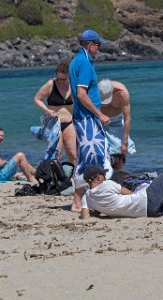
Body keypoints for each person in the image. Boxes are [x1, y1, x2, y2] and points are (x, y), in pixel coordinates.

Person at [68, 29, 110, 212]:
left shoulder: (76, 61)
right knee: (93, 158)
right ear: (90, 44)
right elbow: (81, 93)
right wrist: (99, 114)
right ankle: (80, 202)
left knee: (85, 159)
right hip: (87, 119)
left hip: (82, 117)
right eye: (98, 45)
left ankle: (82, 201)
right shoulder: (84, 63)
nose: (99, 49)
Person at [33, 62, 77, 164]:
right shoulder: (51, 84)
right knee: (57, 154)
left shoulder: (73, 85)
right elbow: (37, 99)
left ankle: (73, 176)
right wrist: (47, 110)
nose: (61, 81)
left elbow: (81, 100)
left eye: (64, 79)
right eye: (59, 78)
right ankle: (54, 177)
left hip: (69, 122)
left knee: (73, 153)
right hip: (54, 124)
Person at [98, 79, 136, 168]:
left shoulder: (122, 93)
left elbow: (127, 118)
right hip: (100, 122)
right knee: (101, 151)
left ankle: (117, 174)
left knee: (119, 152)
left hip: (117, 122)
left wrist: (125, 140)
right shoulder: (96, 91)